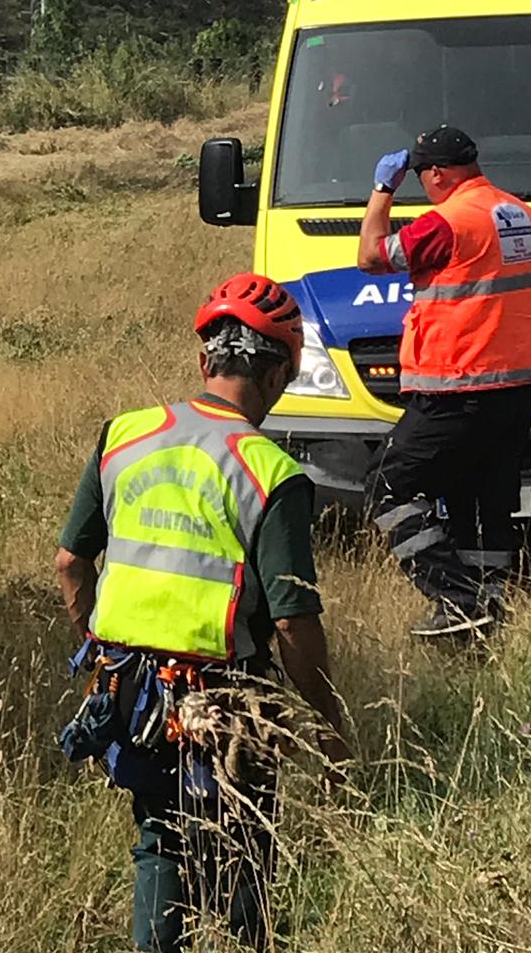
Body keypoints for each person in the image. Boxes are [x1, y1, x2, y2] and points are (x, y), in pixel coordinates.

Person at [55, 273, 347, 953]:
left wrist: (99, 646)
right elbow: (292, 622)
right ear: (278, 374)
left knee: (160, 838)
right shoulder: (271, 471)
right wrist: (328, 723)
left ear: (204, 362)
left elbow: (70, 565)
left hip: (127, 688)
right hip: (226, 700)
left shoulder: (122, 436)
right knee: (243, 843)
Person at [358, 124, 531, 637]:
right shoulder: (522, 214)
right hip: (518, 389)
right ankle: (489, 613)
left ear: (438, 174)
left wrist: (383, 191)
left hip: (458, 384)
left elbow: (372, 257)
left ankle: (456, 600)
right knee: (482, 496)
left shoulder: (446, 222)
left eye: (422, 176)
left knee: (387, 484)